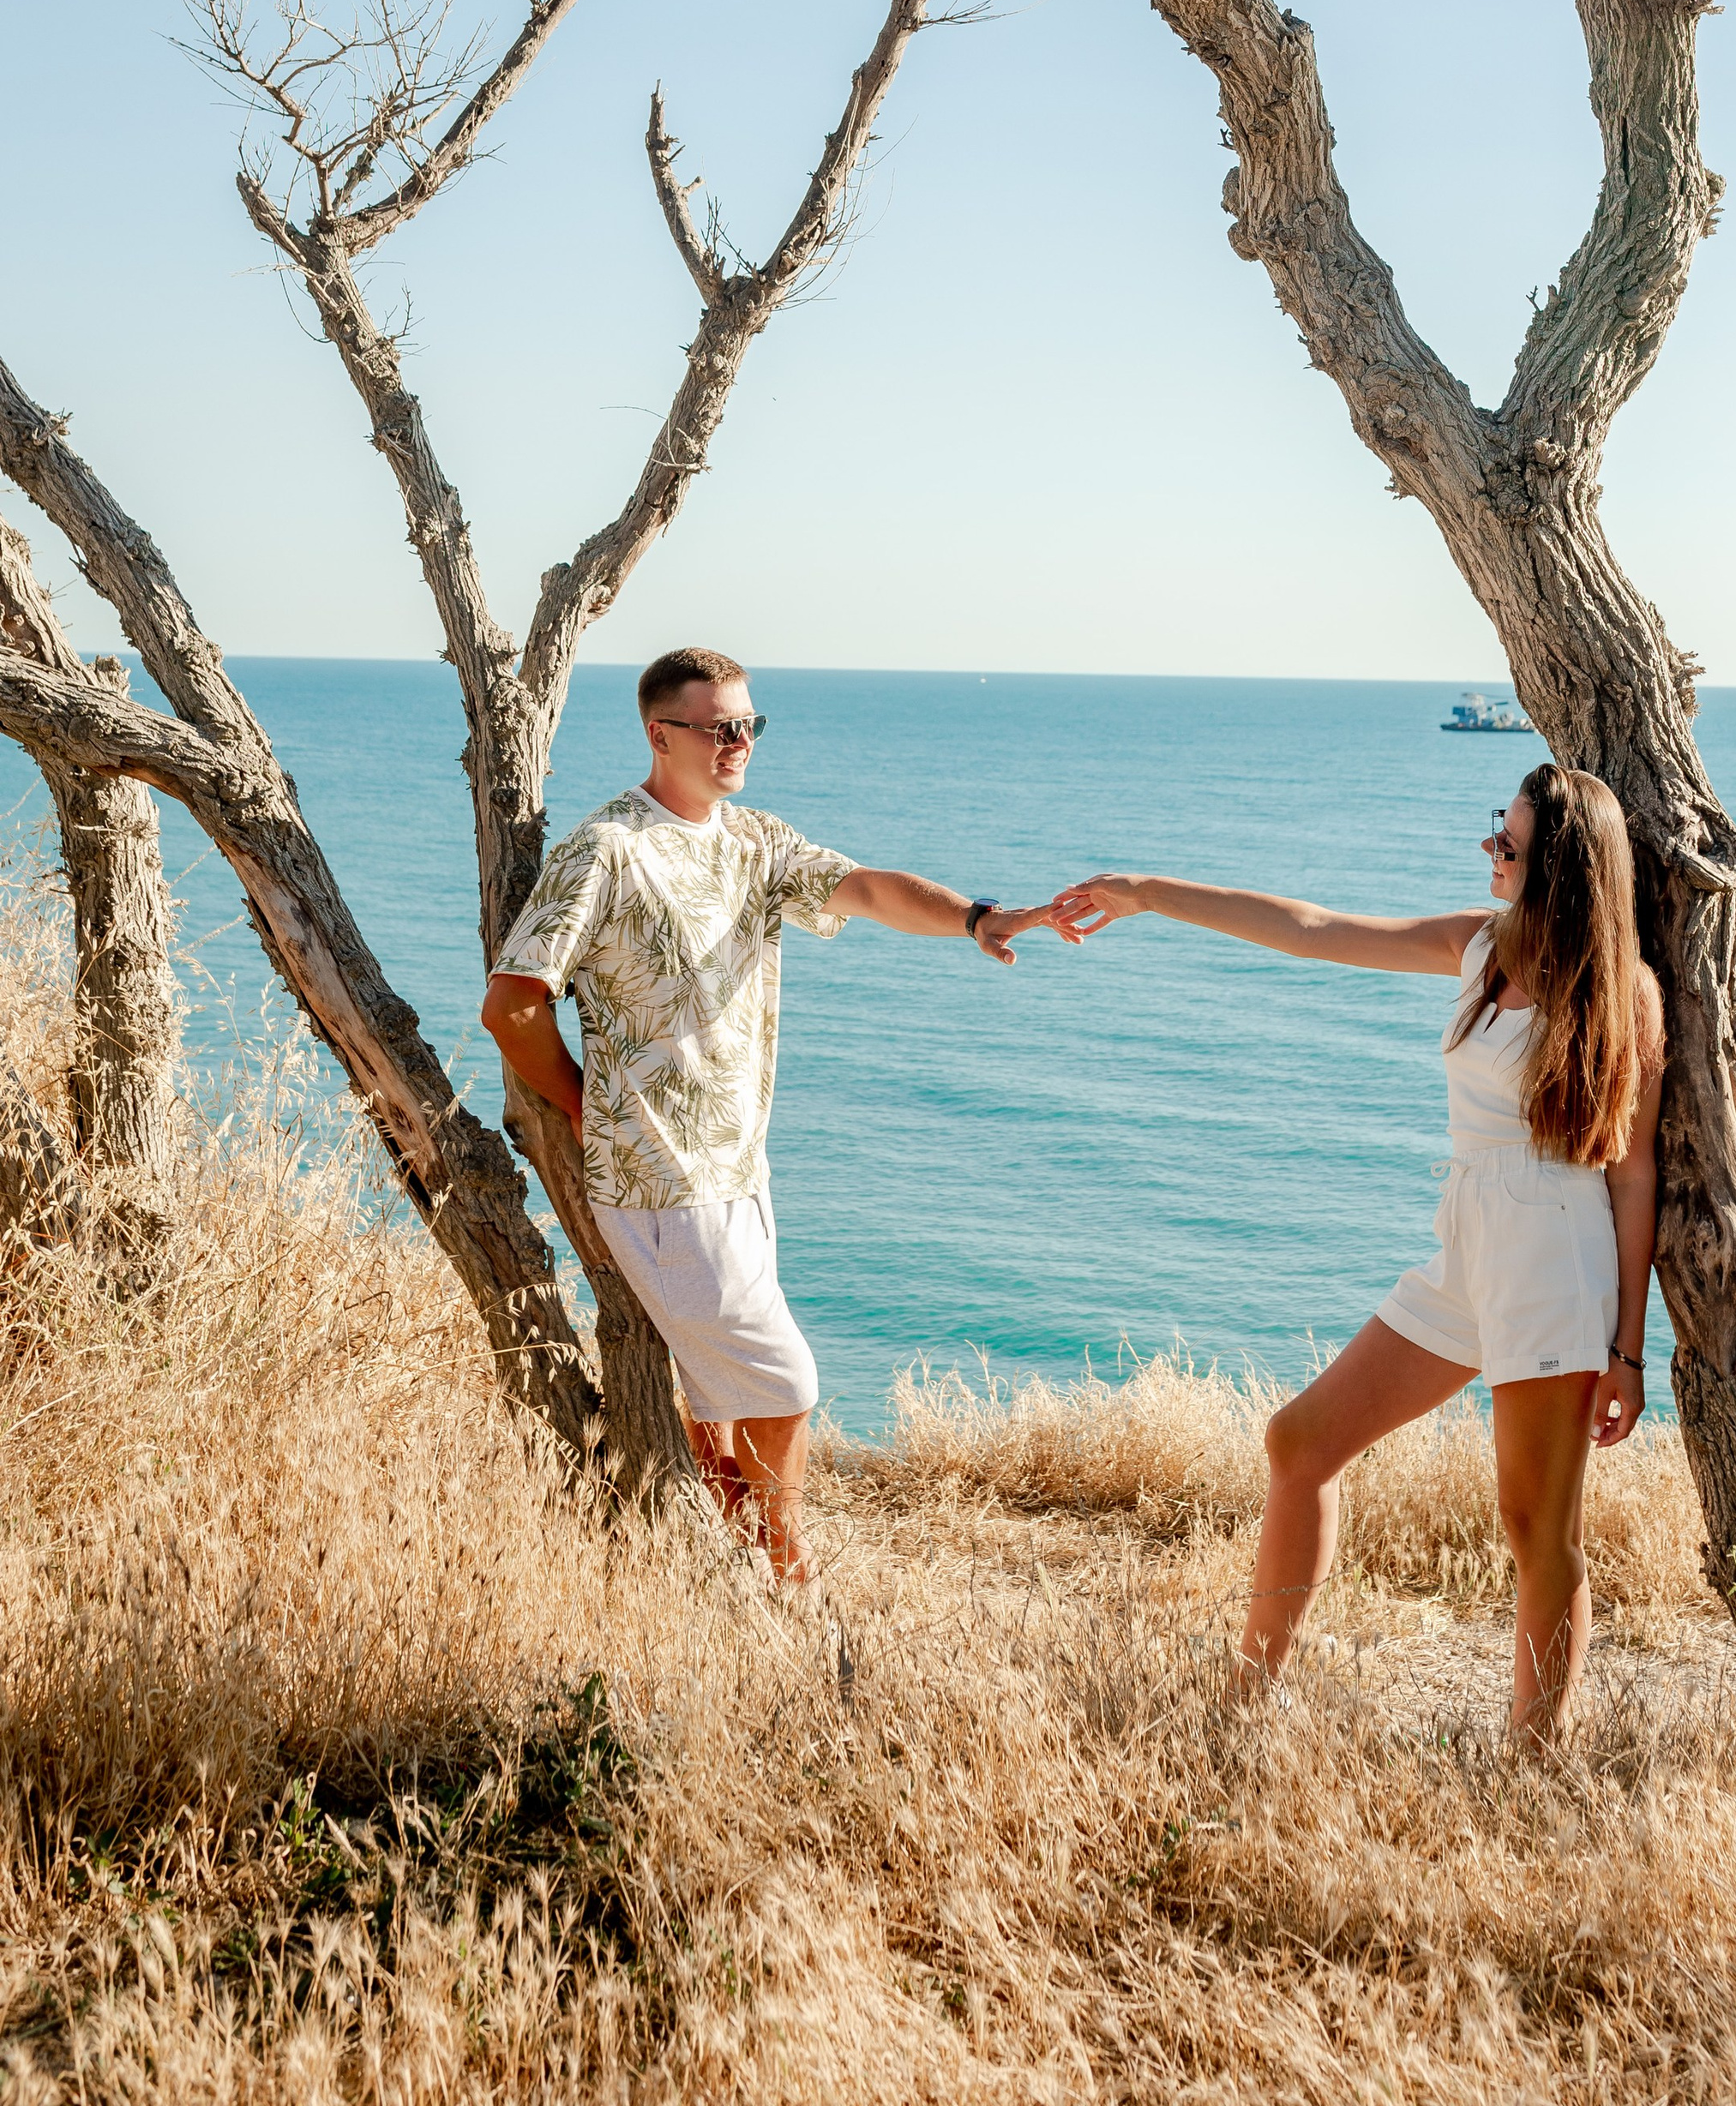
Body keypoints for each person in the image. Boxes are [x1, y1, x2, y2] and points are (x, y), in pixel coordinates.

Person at [1050, 763, 1662, 1741]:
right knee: (1300, 1442)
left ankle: (1532, 1760)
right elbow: (1309, 928)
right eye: (1493, 832)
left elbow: (1631, 1178)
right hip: (1467, 1239)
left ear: (1564, 864)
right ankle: (1249, 1699)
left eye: (1508, 841)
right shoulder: (1477, 946)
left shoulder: (1621, 992)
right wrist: (1149, 893)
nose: (1488, 849)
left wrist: (1629, 1349)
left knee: (1534, 1527)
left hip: (1553, 1255)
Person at [484, 645, 1070, 1581]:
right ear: (659, 734)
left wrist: (975, 918)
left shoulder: (752, 841)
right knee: (784, 1382)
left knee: (720, 1389)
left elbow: (870, 889)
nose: (737, 742)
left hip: (739, 1168)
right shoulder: (609, 849)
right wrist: (591, 1110)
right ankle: (785, 1570)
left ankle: (717, 1562)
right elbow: (513, 1003)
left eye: (749, 725)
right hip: (658, 1176)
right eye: (718, 727)